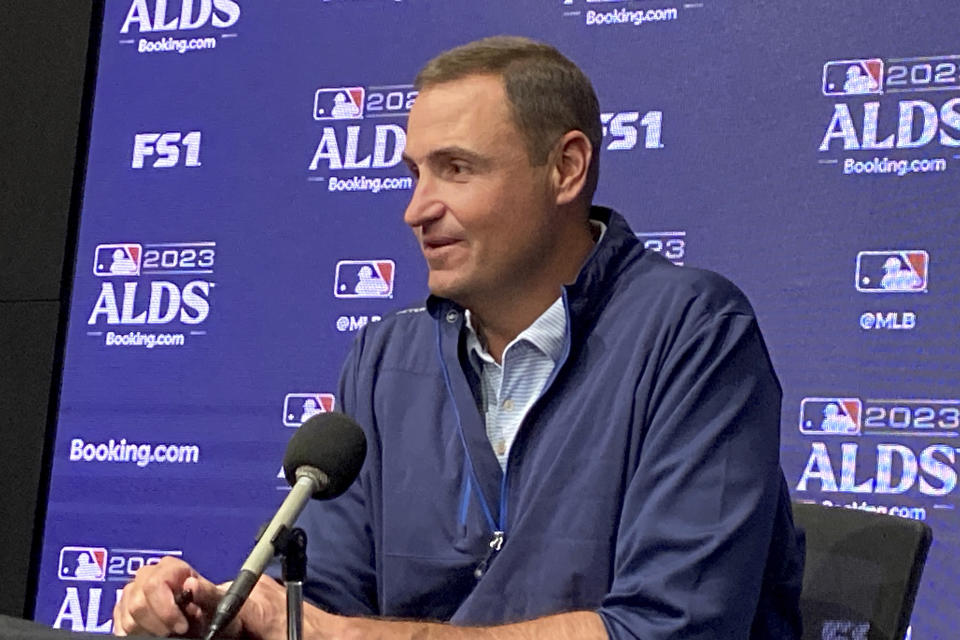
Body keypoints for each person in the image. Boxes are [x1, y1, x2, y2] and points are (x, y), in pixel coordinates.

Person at [113, 36, 803, 640]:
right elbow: (320, 609)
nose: (417, 209)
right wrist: (226, 617)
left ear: (565, 170)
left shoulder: (694, 335)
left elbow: (669, 629)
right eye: (416, 173)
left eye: (457, 169)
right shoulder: (387, 358)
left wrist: (345, 636)